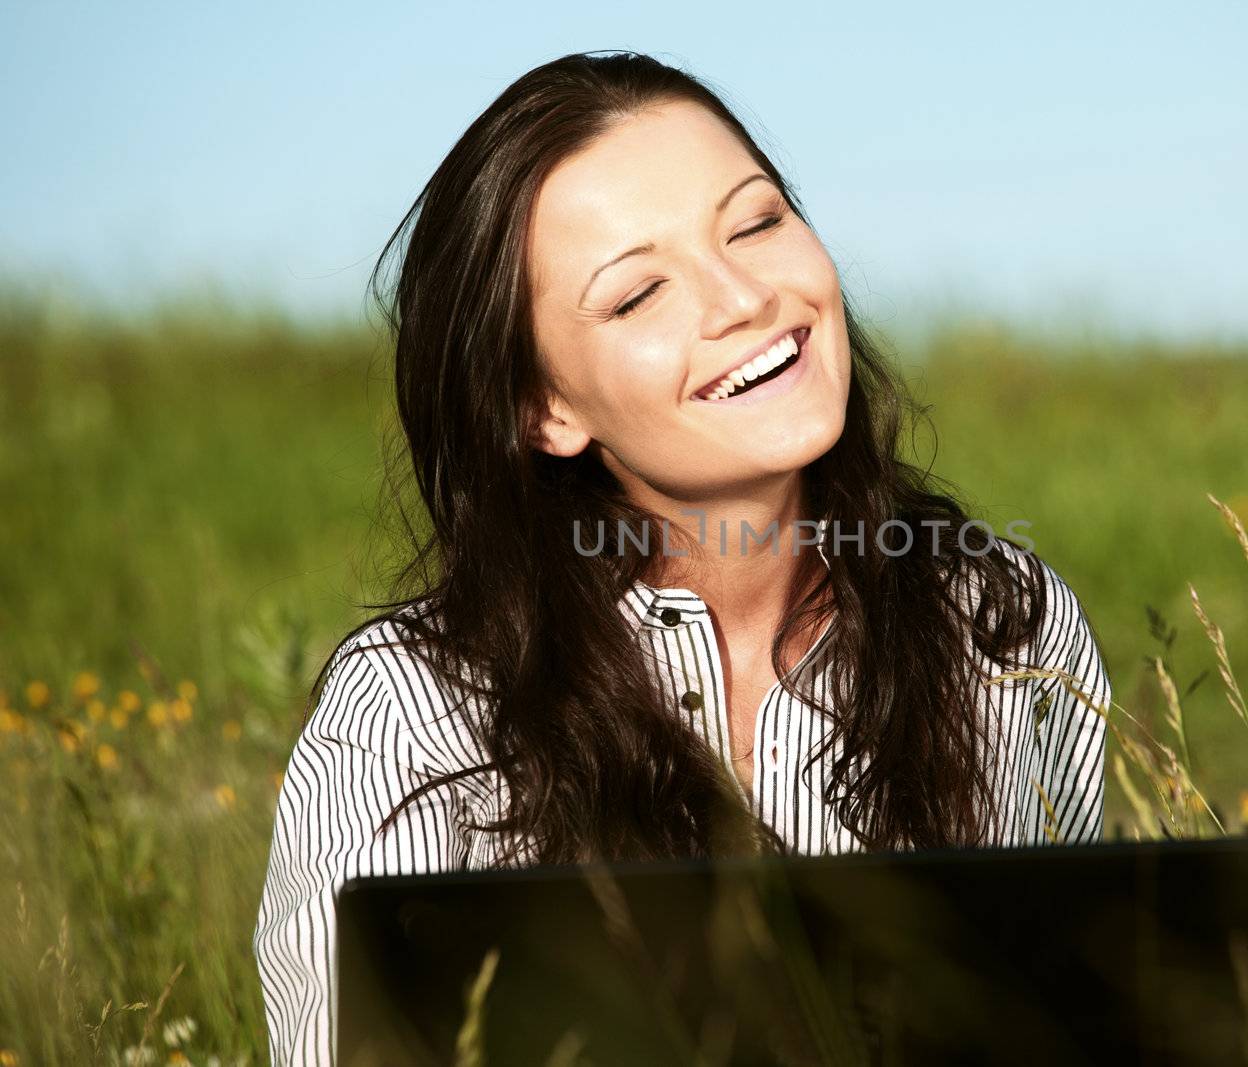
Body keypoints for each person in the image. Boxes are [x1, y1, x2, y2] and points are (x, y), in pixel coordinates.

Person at [252, 50, 1111, 1066]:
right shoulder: (410, 715)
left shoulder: (1002, 623)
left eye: (754, 222)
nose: (742, 297)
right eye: (636, 295)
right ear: (543, 407)